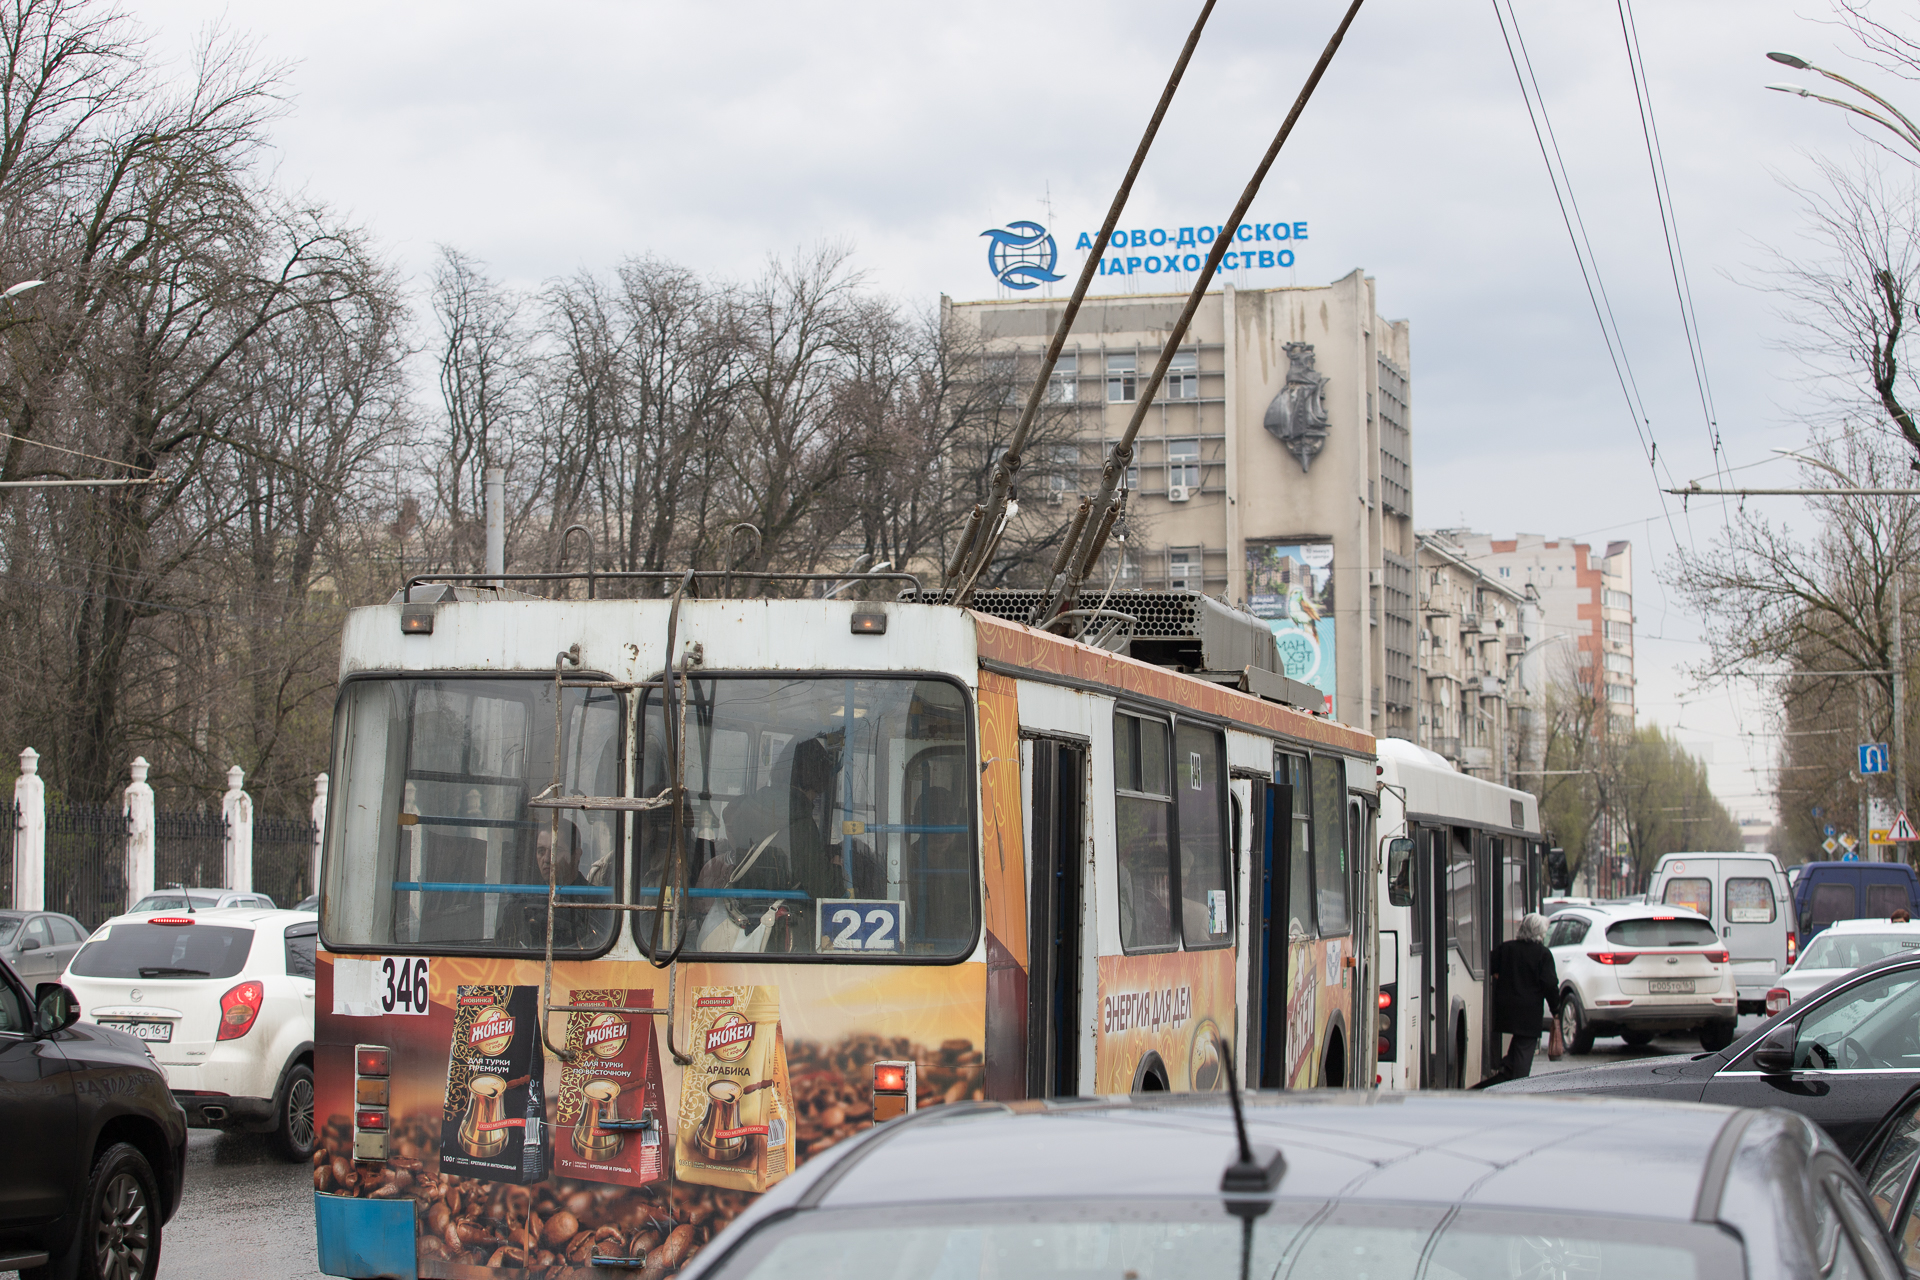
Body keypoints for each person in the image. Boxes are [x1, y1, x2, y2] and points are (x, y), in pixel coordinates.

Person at [1477, 912, 1559, 1087]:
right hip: (1529, 1014)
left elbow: (1488, 966)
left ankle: (1504, 1074)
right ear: (1539, 933)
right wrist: (1556, 1010)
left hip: (1506, 1010)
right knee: (1524, 1054)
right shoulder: (1543, 954)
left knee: (1518, 1049)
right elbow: (1550, 985)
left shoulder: (1506, 948)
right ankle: (1517, 1087)